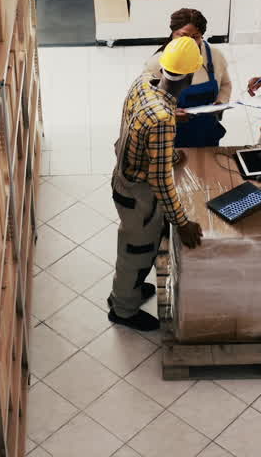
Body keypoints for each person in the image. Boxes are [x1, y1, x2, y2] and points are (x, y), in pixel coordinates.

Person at [108, 37, 205, 332]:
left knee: (139, 247)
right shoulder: (163, 119)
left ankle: (132, 292)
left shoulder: (144, 82)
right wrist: (183, 222)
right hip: (139, 194)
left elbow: (138, 124)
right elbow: (161, 181)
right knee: (136, 251)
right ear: (189, 77)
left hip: (124, 178)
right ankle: (122, 308)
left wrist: (168, 148)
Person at [142, 8, 232, 148]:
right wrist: (171, 114)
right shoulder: (157, 63)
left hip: (206, 133)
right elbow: (147, 103)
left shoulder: (214, 56)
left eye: (195, 37)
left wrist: (221, 102)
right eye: (183, 36)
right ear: (173, 33)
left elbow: (225, 84)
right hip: (171, 135)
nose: (188, 43)